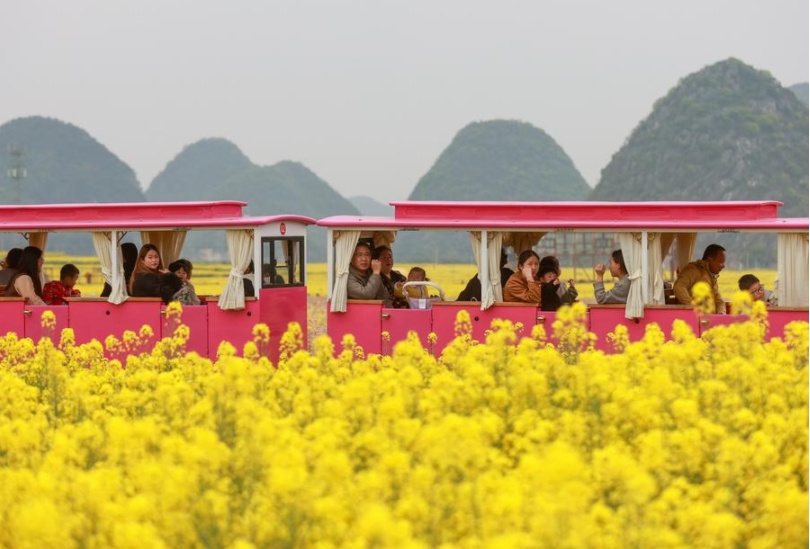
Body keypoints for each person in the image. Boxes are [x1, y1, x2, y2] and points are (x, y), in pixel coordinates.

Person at [673, 243, 726, 313]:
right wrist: (692, 307)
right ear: (709, 260)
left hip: (709, 320)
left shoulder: (711, 276)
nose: (723, 266)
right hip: (696, 320)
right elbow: (678, 287)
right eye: (721, 262)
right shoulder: (693, 270)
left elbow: (719, 301)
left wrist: (720, 315)